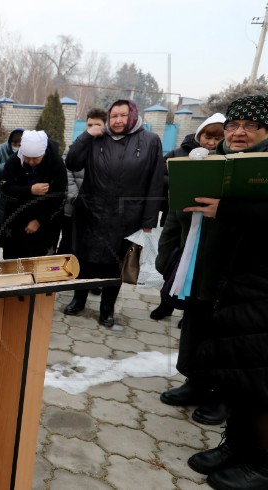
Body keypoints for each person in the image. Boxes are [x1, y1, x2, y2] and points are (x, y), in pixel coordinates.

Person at [169, 94, 268, 490]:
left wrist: (227, 210)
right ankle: (237, 446)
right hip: (233, 278)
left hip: (262, 282)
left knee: (259, 377)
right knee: (238, 370)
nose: (239, 132)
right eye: (233, 125)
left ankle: (261, 463)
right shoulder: (218, 158)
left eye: (249, 126)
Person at [64, 99, 164, 328]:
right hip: (92, 212)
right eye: (114, 116)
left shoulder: (150, 141)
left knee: (114, 264)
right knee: (84, 260)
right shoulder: (97, 137)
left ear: (133, 116)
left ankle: (107, 309)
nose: (118, 121)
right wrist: (87, 135)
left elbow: (155, 181)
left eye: (123, 115)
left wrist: (149, 220)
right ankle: (78, 299)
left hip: (126, 216)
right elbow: (72, 161)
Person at [150, 113, 225, 321]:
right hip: (180, 216)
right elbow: (163, 178)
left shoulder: (226, 161)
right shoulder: (181, 153)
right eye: (207, 137)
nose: (211, 143)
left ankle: (187, 311)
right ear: (199, 136)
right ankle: (166, 304)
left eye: (217, 138)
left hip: (209, 223)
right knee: (172, 262)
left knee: (195, 269)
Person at [0, 130, 67, 259]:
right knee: (14, 263)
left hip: (45, 224)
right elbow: (4, 189)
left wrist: (39, 220)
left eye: (35, 158)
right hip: (16, 221)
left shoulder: (56, 164)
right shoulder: (13, 162)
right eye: (27, 157)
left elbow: (59, 197)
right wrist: (29, 190)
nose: (30, 162)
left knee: (39, 265)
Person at [57, 109, 105, 255]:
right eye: (89, 125)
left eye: (97, 124)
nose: (93, 128)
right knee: (67, 245)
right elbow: (66, 173)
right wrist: (76, 198)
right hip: (73, 208)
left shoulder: (109, 150)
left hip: (96, 210)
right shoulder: (76, 146)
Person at [0, 127, 23, 263]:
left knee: (12, 244)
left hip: (16, 204)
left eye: (19, 145)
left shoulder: (29, 155)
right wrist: (11, 164)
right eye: (14, 145)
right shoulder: (0, 150)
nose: (16, 148)